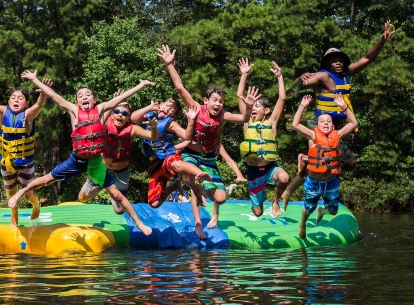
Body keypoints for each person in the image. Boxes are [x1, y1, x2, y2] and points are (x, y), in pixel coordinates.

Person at [7, 70, 154, 236]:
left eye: (88, 94)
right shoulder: (73, 111)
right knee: (46, 179)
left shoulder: (101, 108)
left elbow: (120, 99)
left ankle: (139, 223)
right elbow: (54, 95)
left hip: (96, 162)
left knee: (116, 195)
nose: (84, 97)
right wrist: (35, 80)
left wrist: (140, 85)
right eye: (80, 95)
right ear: (76, 101)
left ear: (94, 99)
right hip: (76, 160)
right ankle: (19, 194)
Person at [283, 22, 394, 208]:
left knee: (347, 164)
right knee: (321, 162)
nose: (337, 62)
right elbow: (294, 89)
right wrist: (299, 79)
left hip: (336, 129)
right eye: (333, 60)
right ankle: (295, 190)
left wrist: (382, 40)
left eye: (340, 59)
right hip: (319, 126)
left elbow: (368, 58)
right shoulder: (322, 76)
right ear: (327, 63)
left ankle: (300, 173)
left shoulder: (347, 74)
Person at [157, 45, 260, 234]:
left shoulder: (223, 116)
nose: (218, 104)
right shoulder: (196, 108)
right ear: (206, 101)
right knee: (192, 179)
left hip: (209, 159)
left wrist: (249, 104)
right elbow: (180, 88)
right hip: (191, 155)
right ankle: (198, 224)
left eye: (221, 101)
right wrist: (170, 64)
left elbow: (245, 118)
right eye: (214, 100)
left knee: (220, 197)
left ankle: (210, 205)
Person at [0, 81, 52, 225]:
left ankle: (36, 205)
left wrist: (43, 94)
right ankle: (14, 211)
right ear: (8, 101)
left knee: (27, 194)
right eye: (13, 97)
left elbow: (39, 105)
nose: (16, 100)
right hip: (6, 162)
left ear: (26, 103)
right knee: (10, 191)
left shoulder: (28, 115)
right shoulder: (3, 111)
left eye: (20, 98)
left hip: (25, 163)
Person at [291, 94, 358, 238]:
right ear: (317, 125)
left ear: (333, 125)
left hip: (331, 181)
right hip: (314, 181)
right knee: (309, 208)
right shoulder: (313, 136)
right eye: (322, 121)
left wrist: (344, 107)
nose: (326, 123)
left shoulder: (337, 135)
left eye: (329, 121)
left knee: (333, 211)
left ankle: (322, 211)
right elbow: (295, 125)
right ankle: (302, 224)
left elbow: (353, 123)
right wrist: (302, 106)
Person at [78, 101, 158, 214]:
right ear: (111, 114)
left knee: (119, 211)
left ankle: (113, 193)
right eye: (117, 112)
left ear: (128, 118)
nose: (120, 115)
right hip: (101, 170)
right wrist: (111, 104)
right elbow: (95, 118)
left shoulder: (133, 129)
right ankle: (104, 187)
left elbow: (153, 137)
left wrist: (153, 127)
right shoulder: (105, 124)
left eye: (125, 114)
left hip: (120, 173)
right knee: (82, 198)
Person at [235, 58, 289, 217]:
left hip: (270, 168)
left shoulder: (271, 122)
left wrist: (280, 77)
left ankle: (275, 201)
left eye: (257, 106)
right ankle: (259, 197)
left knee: (284, 177)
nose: (253, 108)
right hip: (253, 171)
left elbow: (282, 99)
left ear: (266, 111)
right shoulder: (247, 121)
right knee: (257, 212)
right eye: (253, 106)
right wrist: (244, 75)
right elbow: (239, 96)